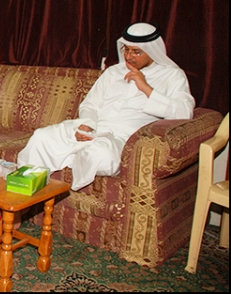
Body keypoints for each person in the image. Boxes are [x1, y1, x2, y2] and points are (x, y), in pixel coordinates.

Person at [17, 21, 196, 192]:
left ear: (152, 51)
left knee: (101, 156)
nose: (128, 56)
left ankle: (69, 158)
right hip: (94, 128)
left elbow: (184, 113)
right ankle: (24, 195)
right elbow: (90, 104)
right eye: (126, 49)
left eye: (136, 52)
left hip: (122, 137)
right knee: (41, 138)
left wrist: (146, 88)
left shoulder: (172, 75)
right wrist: (87, 124)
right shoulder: (113, 72)